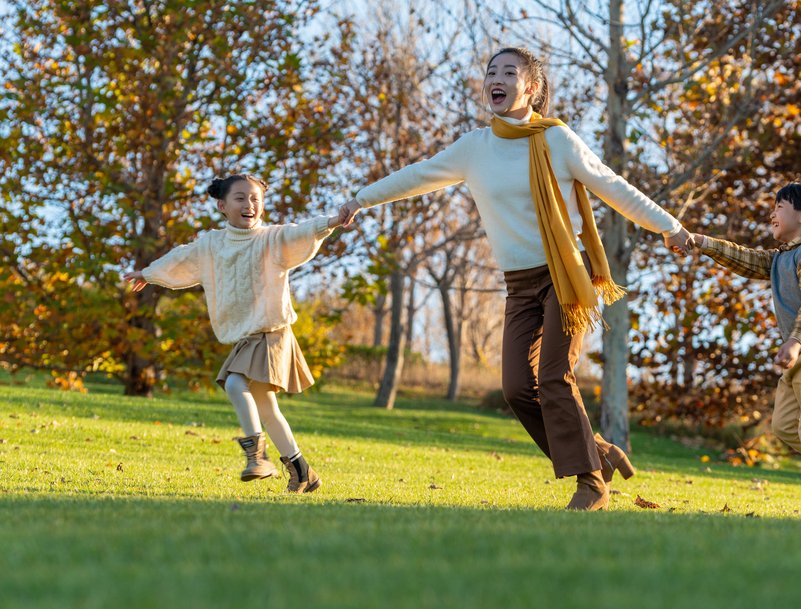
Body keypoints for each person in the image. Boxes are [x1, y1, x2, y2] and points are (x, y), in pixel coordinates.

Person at [337, 46, 690, 511]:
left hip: (565, 274)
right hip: (519, 283)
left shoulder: (557, 141)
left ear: (532, 88)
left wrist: (669, 226)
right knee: (516, 388)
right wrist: (360, 199)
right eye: (490, 72)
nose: (495, 79)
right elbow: (417, 176)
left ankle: (590, 482)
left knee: (554, 376)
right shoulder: (473, 149)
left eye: (509, 72)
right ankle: (598, 453)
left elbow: (611, 185)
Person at [124, 173, 346, 494]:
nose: (249, 204)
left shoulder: (271, 239)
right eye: (240, 198)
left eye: (255, 198)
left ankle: (257, 457)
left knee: (233, 383)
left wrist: (330, 222)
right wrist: (148, 272)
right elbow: (182, 257)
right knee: (267, 410)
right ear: (222, 206)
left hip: (272, 330)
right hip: (247, 335)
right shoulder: (211, 244)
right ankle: (302, 472)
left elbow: (301, 232)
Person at [671, 181, 801, 518]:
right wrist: (703, 243)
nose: (772, 213)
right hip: (800, 350)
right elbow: (747, 259)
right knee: (784, 426)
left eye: (780, 206)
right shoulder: (783, 257)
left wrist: (794, 343)